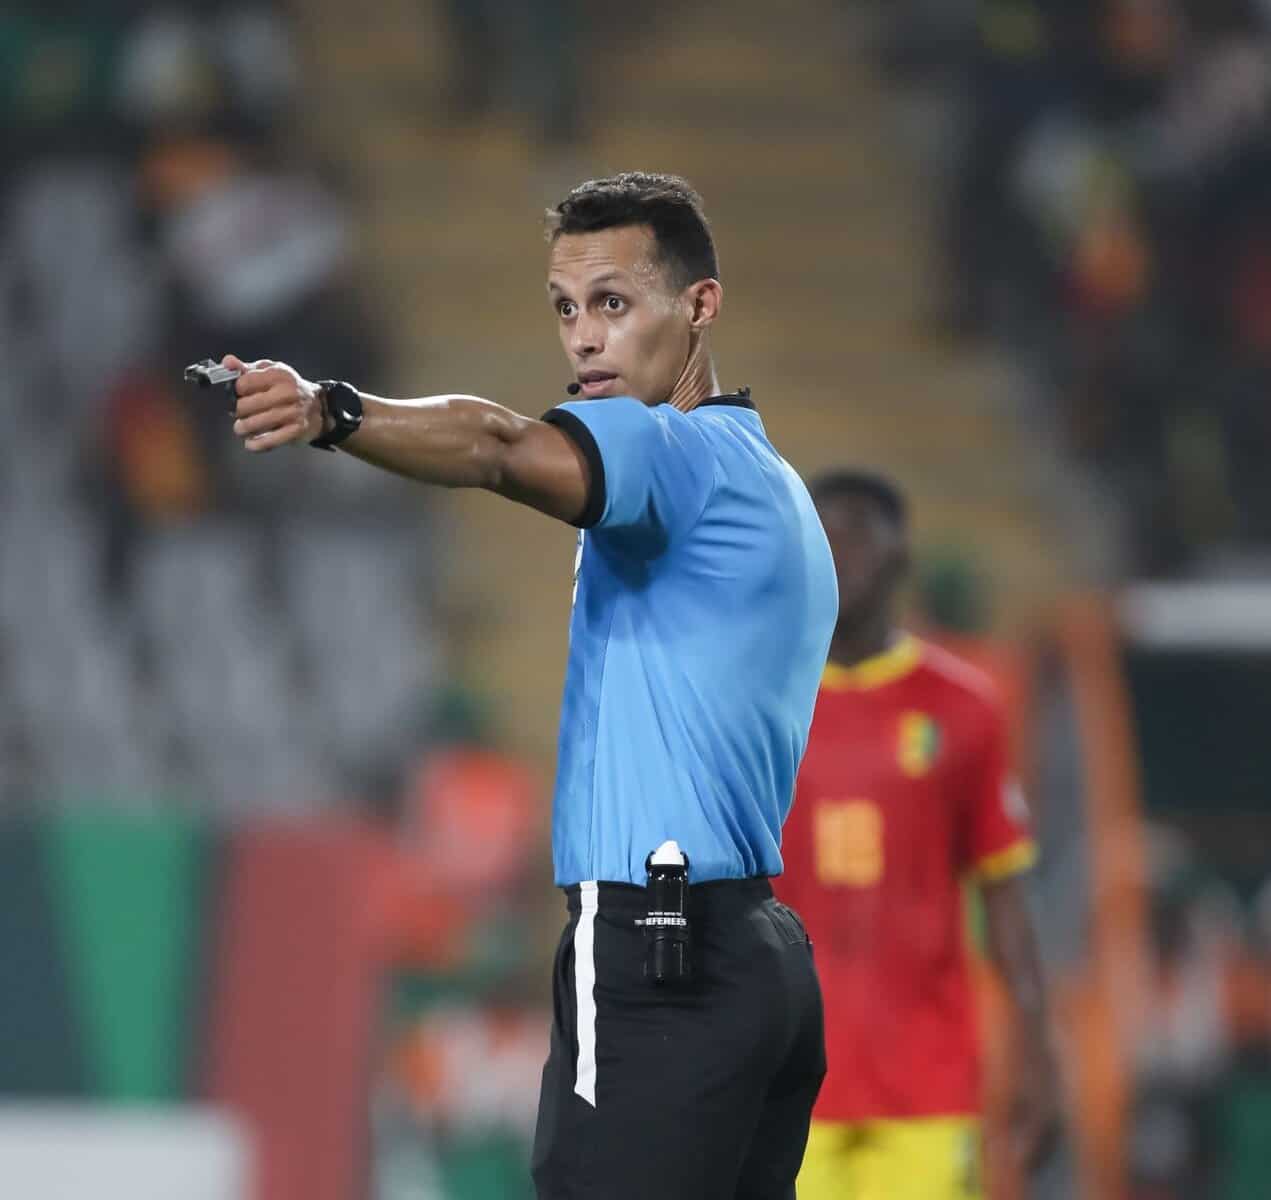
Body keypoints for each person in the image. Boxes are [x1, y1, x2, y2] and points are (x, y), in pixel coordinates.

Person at [215, 172, 838, 1199]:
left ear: (699, 305)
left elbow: (500, 446)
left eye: (613, 301)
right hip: (756, 953)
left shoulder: (666, 447)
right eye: (565, 308)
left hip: (657, 949)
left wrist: (331, 410)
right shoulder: (771, 483)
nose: (584, 338)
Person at [775, 469, 1059, 1200]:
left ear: (900, 553)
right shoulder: (759, 703)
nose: (838, 550)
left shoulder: (962, 706)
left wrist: (1037, 1049)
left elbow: (1004, 895)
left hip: (926, 1084)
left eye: (857, 534)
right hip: (783, 1077)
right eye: (822, 534)